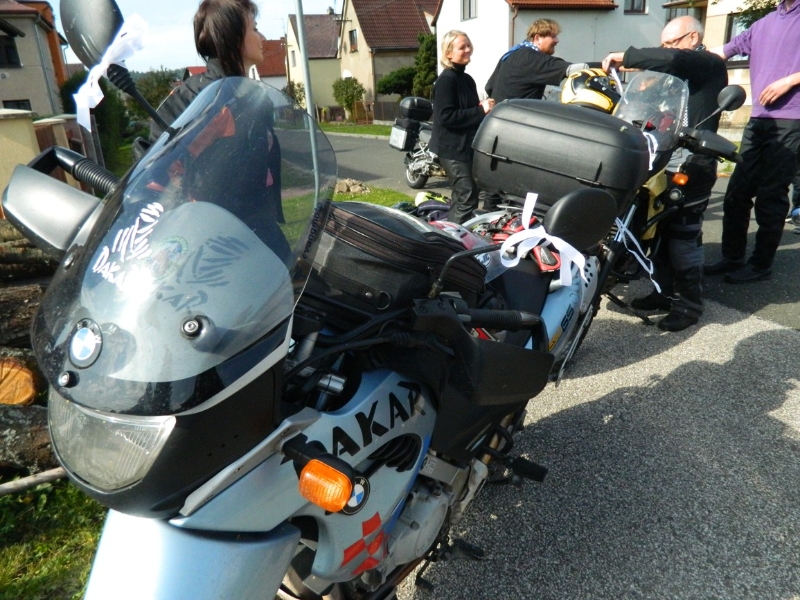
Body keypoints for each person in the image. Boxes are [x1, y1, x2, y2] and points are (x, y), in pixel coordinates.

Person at [602, 16, 728, 332]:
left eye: (671, 42)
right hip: (660, 161)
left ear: (693, 38)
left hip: (693, 164)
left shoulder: (708, 64)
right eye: (663, 44)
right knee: (656, 231)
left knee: (683, 236)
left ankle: (689, 304)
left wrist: (626, 56)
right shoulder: (672, 78)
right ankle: (664, 292)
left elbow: (674, 59)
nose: (666, 49)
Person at [703, 0, 800, 283]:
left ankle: (760, 265)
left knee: (771, 195)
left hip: (792, 119)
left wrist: (790, 80)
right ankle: (732, 257)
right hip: (759, 118)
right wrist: (675, 59)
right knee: (737, 193)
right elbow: (722, 52)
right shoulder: (764, 23)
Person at [481, 19, 572, 211]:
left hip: (496, 128)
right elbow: (570, 69)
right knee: (517, 187)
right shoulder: (532, 59)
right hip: (516, 133)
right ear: (537, 38)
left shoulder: (511, 54)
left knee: (495, 187)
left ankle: (486, 222)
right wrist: (611, 65)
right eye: (553, 36)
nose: (557, 40)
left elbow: (489, 86)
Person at [149, 0, 265, 140]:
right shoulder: (187, 98)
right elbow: (159, 151)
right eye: (255, 29)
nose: (263, 38)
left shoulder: (256, 97)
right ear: (232, 36)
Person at [429, 31, 495, 224]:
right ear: (449, 53)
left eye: (468, 45)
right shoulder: (446, 80)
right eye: (462, 47)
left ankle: (449, 232)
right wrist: (480, 110)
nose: (467, 50)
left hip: (466, 147)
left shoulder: (466, 79)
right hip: (451, 149)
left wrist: (483, 110)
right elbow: (445, 116)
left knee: (463, 196)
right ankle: (455, 238)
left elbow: (469, 112)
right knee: (467, 197)